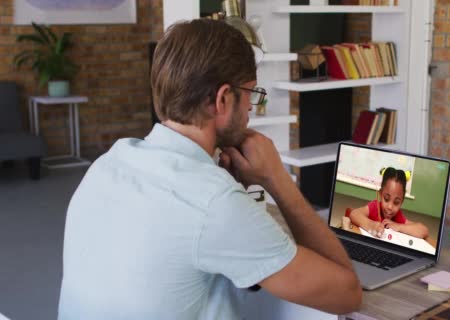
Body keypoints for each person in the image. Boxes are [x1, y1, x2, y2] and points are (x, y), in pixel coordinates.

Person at [58, 19, 361, 320]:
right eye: (251, 94)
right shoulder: (214, 202)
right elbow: (347, 295)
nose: (251, 109)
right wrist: (276, 178)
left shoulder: (108, 163)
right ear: (223, 99)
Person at [349, 167, 429, 239]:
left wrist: (399, 227)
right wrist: (371, 225)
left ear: (402, 201)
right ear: (380, 194)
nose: (390, 207)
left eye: (396, 202)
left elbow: (424, 231)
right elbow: (354, 214)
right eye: (386, 199)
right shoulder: (375, 207)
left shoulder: (397, 217)